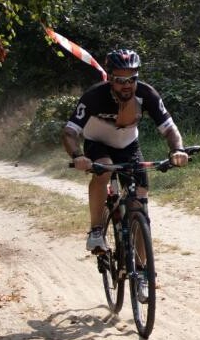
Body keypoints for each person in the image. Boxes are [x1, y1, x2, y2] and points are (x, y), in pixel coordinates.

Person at [61, 48, 188, 253]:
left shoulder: (147, 94)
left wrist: (178, 150)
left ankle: (142, 274)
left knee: (138, 201)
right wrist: (78, 156)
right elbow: (69, 132)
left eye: (131, 79)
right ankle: (96, 231)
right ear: (110, 78)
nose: (126, 85)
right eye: (120, 80)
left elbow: (169, 128)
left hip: (128, 146)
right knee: (106, 170)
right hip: (97, 143)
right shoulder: (94, 96)